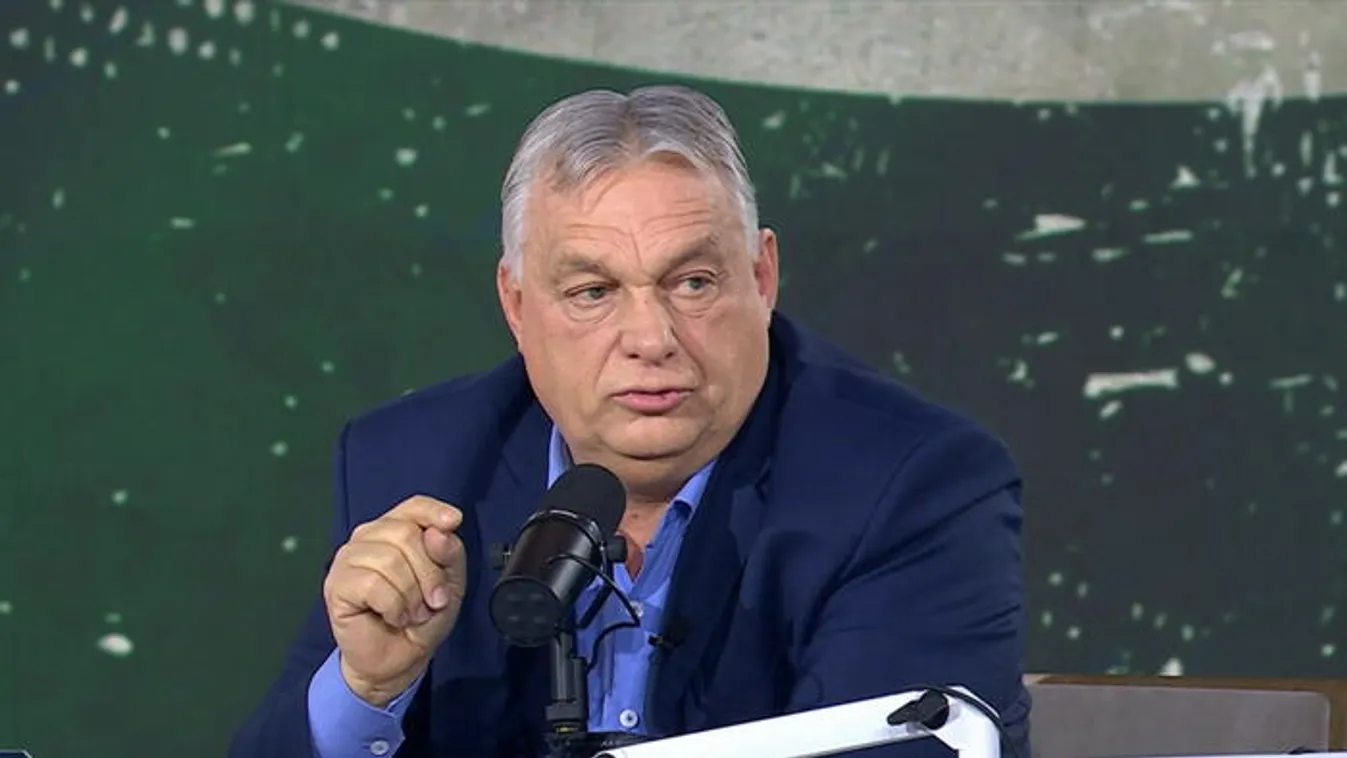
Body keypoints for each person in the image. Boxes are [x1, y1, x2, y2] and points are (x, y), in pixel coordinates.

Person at [229, 84, 1030, 758]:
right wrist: (369, 688)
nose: (650, 339)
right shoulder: (416, 467)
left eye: (692, 282)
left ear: (762, 277)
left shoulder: (911, 486)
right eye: (593, 292)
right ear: (516, 305)